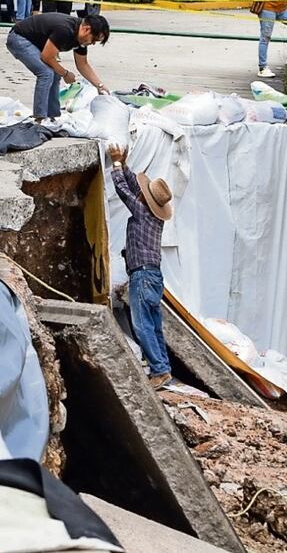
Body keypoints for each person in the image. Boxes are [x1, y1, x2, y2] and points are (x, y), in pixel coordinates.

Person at [106, 143, 175, 390]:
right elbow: (135, 188)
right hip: (153, 275)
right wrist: (123, 164)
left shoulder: (143, 212)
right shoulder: (154, 216)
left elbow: (124, 191)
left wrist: (115, 164)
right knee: (153, 324)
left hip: (143, 275)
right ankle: (163, 369)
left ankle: (158, 370)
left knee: (142, 324)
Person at [5, 13, 110, 122]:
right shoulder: (64, 30)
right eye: (94, 40)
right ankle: (40, 119)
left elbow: (82, 65)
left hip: (35, 43)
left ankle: (53, 116)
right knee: (46, 74)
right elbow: (46, 57)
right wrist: (65, 73)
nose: (93, 43)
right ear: (86, 29)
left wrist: (100, 85)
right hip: (18, 38)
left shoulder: (80, 39)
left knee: (55, 74)